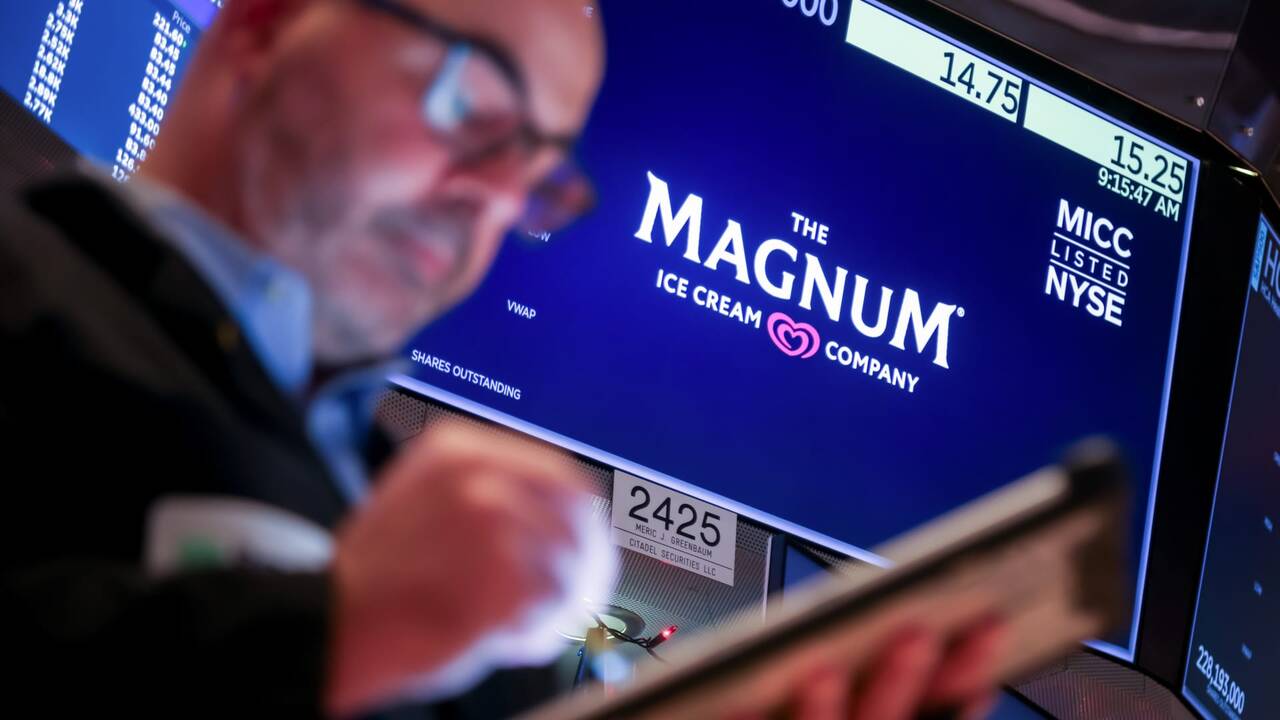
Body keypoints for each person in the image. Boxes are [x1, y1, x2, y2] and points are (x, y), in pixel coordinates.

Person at [0, 0, 1004, 717]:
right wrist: (343, 632)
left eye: (533, 171)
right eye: (471, 105)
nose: (491, 198)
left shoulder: (446, 558)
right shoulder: (27, 288)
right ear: (266, 23)